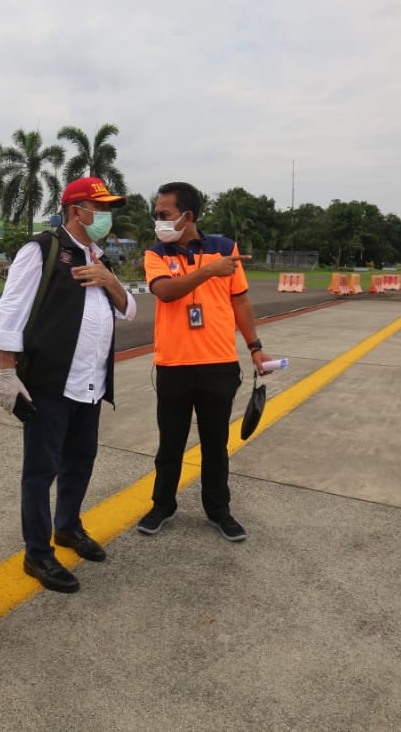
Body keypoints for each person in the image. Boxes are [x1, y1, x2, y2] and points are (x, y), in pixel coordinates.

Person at [0, 177, 137, 593]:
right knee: (41, 471)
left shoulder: (99, 257)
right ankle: (37, 553)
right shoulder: (41, 250)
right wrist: (7, 372)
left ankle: (68, 526)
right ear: (77, 211)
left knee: (81, 460)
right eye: (101, 207)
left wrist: (111, 282)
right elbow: (10, 314)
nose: (106, 217)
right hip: (50, 385)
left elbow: (127, 311)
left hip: (90, 385)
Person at [137, 181, 272, 543]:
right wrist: (210, 272)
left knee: (216, 444)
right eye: (157, 215)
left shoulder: (225, 249)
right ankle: (163, 504)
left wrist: (255, 347)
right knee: (171, 444)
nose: (158, 221)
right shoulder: (156, 254)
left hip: (218, 364)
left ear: (188, 215)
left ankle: (218, 509)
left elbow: (240, 302)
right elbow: (165, 292)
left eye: (164, 214)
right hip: (173, 366)